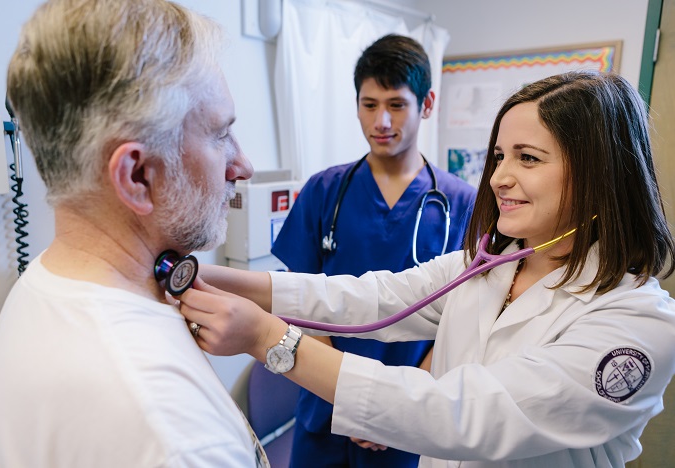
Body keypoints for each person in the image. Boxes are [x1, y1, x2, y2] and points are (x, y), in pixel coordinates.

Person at [179, 70, 675, 467]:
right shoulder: (485, 267)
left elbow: (464, 414)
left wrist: (270, 340)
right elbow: (373, 298)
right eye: (499, 156)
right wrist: (211, 277)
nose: (499, 177)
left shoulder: (637, 325)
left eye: (528, 158)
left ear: (600, 175)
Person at [0, 0, 263, 466]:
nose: (243, 166)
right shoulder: (176, 435)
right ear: (136, 177)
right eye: (220, 135)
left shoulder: (43, 284)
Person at [270, 33, 476, 467]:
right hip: (322, 411)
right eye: (369, 104)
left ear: (427, 104)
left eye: (397, 105)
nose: (381, 121)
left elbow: (464, 316)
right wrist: (345, 398)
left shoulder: (463, 204)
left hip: (409, 418)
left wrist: (392, 408)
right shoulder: (324, 191)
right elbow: (298, 301)